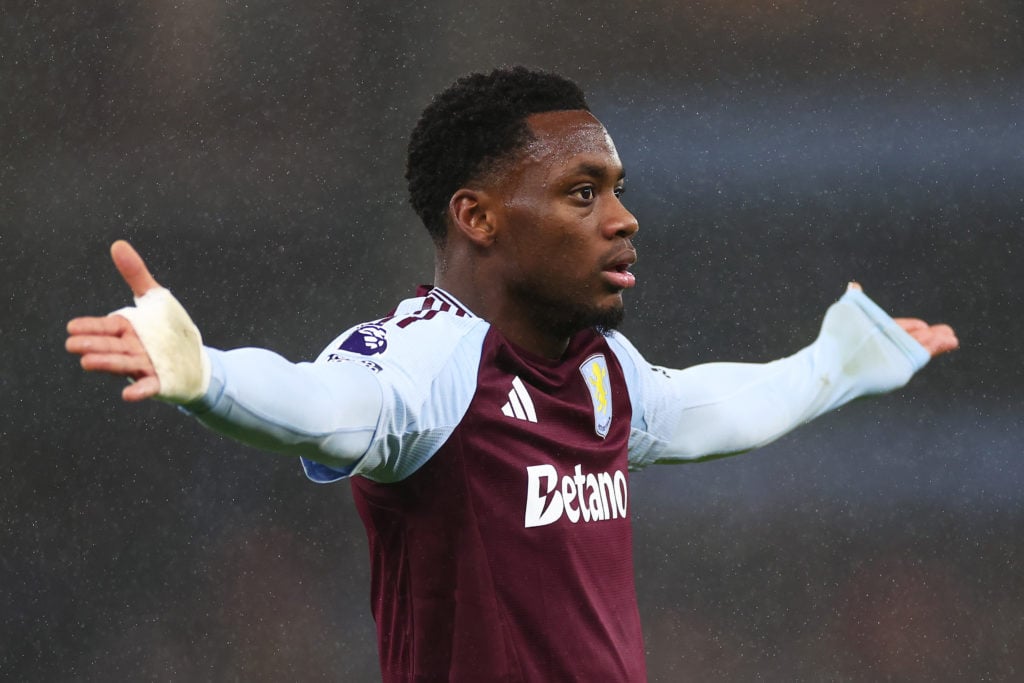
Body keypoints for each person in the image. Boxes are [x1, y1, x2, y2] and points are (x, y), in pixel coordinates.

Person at [65, 67, 958, 682]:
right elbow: (329, 404)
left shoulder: (601, 367)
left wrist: (832, 365)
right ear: (478, 216)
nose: (623, 218)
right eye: (583, 192)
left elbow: (706, 409)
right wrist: (209, 376)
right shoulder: (430, 357)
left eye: (616, 188)